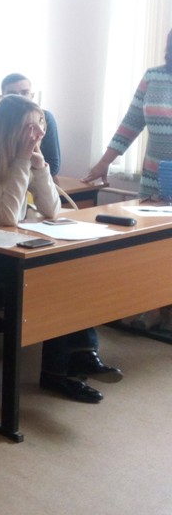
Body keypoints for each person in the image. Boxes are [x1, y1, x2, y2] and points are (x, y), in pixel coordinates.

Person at [0, 95, 121, 402]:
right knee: (52, 281)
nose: (38, 133)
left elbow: (52, 210)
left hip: (8, 242)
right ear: (8, 128)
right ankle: (58, 372)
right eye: (29, 126)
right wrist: (21, 161)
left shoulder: (26, 153)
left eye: (40, 124)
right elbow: (8, 215)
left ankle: (82, 354)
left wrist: (40, 166)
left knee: (73, 271)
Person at [84, 30, 172, 333]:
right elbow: (131, 123)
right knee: (151, 247)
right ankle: (151, 308)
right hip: (154, 180)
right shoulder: (153, 77)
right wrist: (104, 162)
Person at [0, 73, 60, 174]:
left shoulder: (44, 117)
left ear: (32, 96)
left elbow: (53, 166)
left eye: (25, 92)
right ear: (2, 98)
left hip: (35, 177)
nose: (19, 98)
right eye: (12, 94)